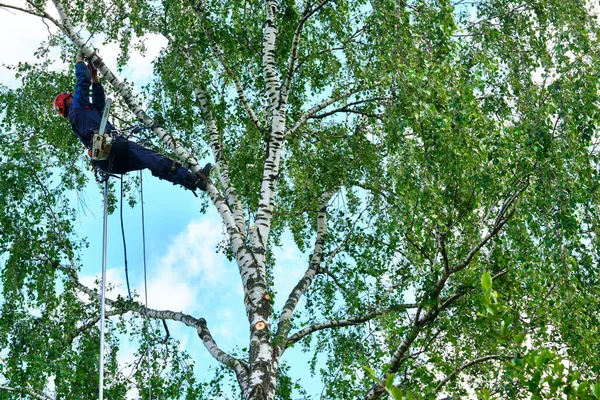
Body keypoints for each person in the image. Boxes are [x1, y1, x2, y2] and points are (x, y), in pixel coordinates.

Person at [53, 53, 211, 193]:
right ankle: (193, 180)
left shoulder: (85, 113)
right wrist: (79, 62)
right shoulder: (77, 109)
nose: (74, 97)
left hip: (110, 161)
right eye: (71, 97)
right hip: (112, 148)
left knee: (152, 162)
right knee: (153, 159)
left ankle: (192, 181)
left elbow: (99, 102)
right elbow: (82, 81)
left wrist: (95, 76)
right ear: (68, 102)